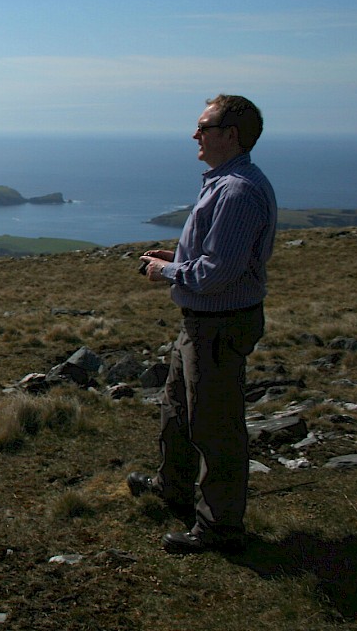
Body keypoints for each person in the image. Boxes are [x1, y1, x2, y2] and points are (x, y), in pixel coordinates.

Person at [129, 94, 277, 554]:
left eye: (204, 126)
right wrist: (180, 258)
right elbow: (216, 258)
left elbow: (216, 275)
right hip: (201, 323)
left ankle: (220, 528)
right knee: (177, 409)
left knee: (215, 427)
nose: (195, 135)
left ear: (229, 135)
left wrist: (166, 272)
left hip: (217, 326)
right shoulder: (223, 182)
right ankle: (172, 487)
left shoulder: (236, 191)